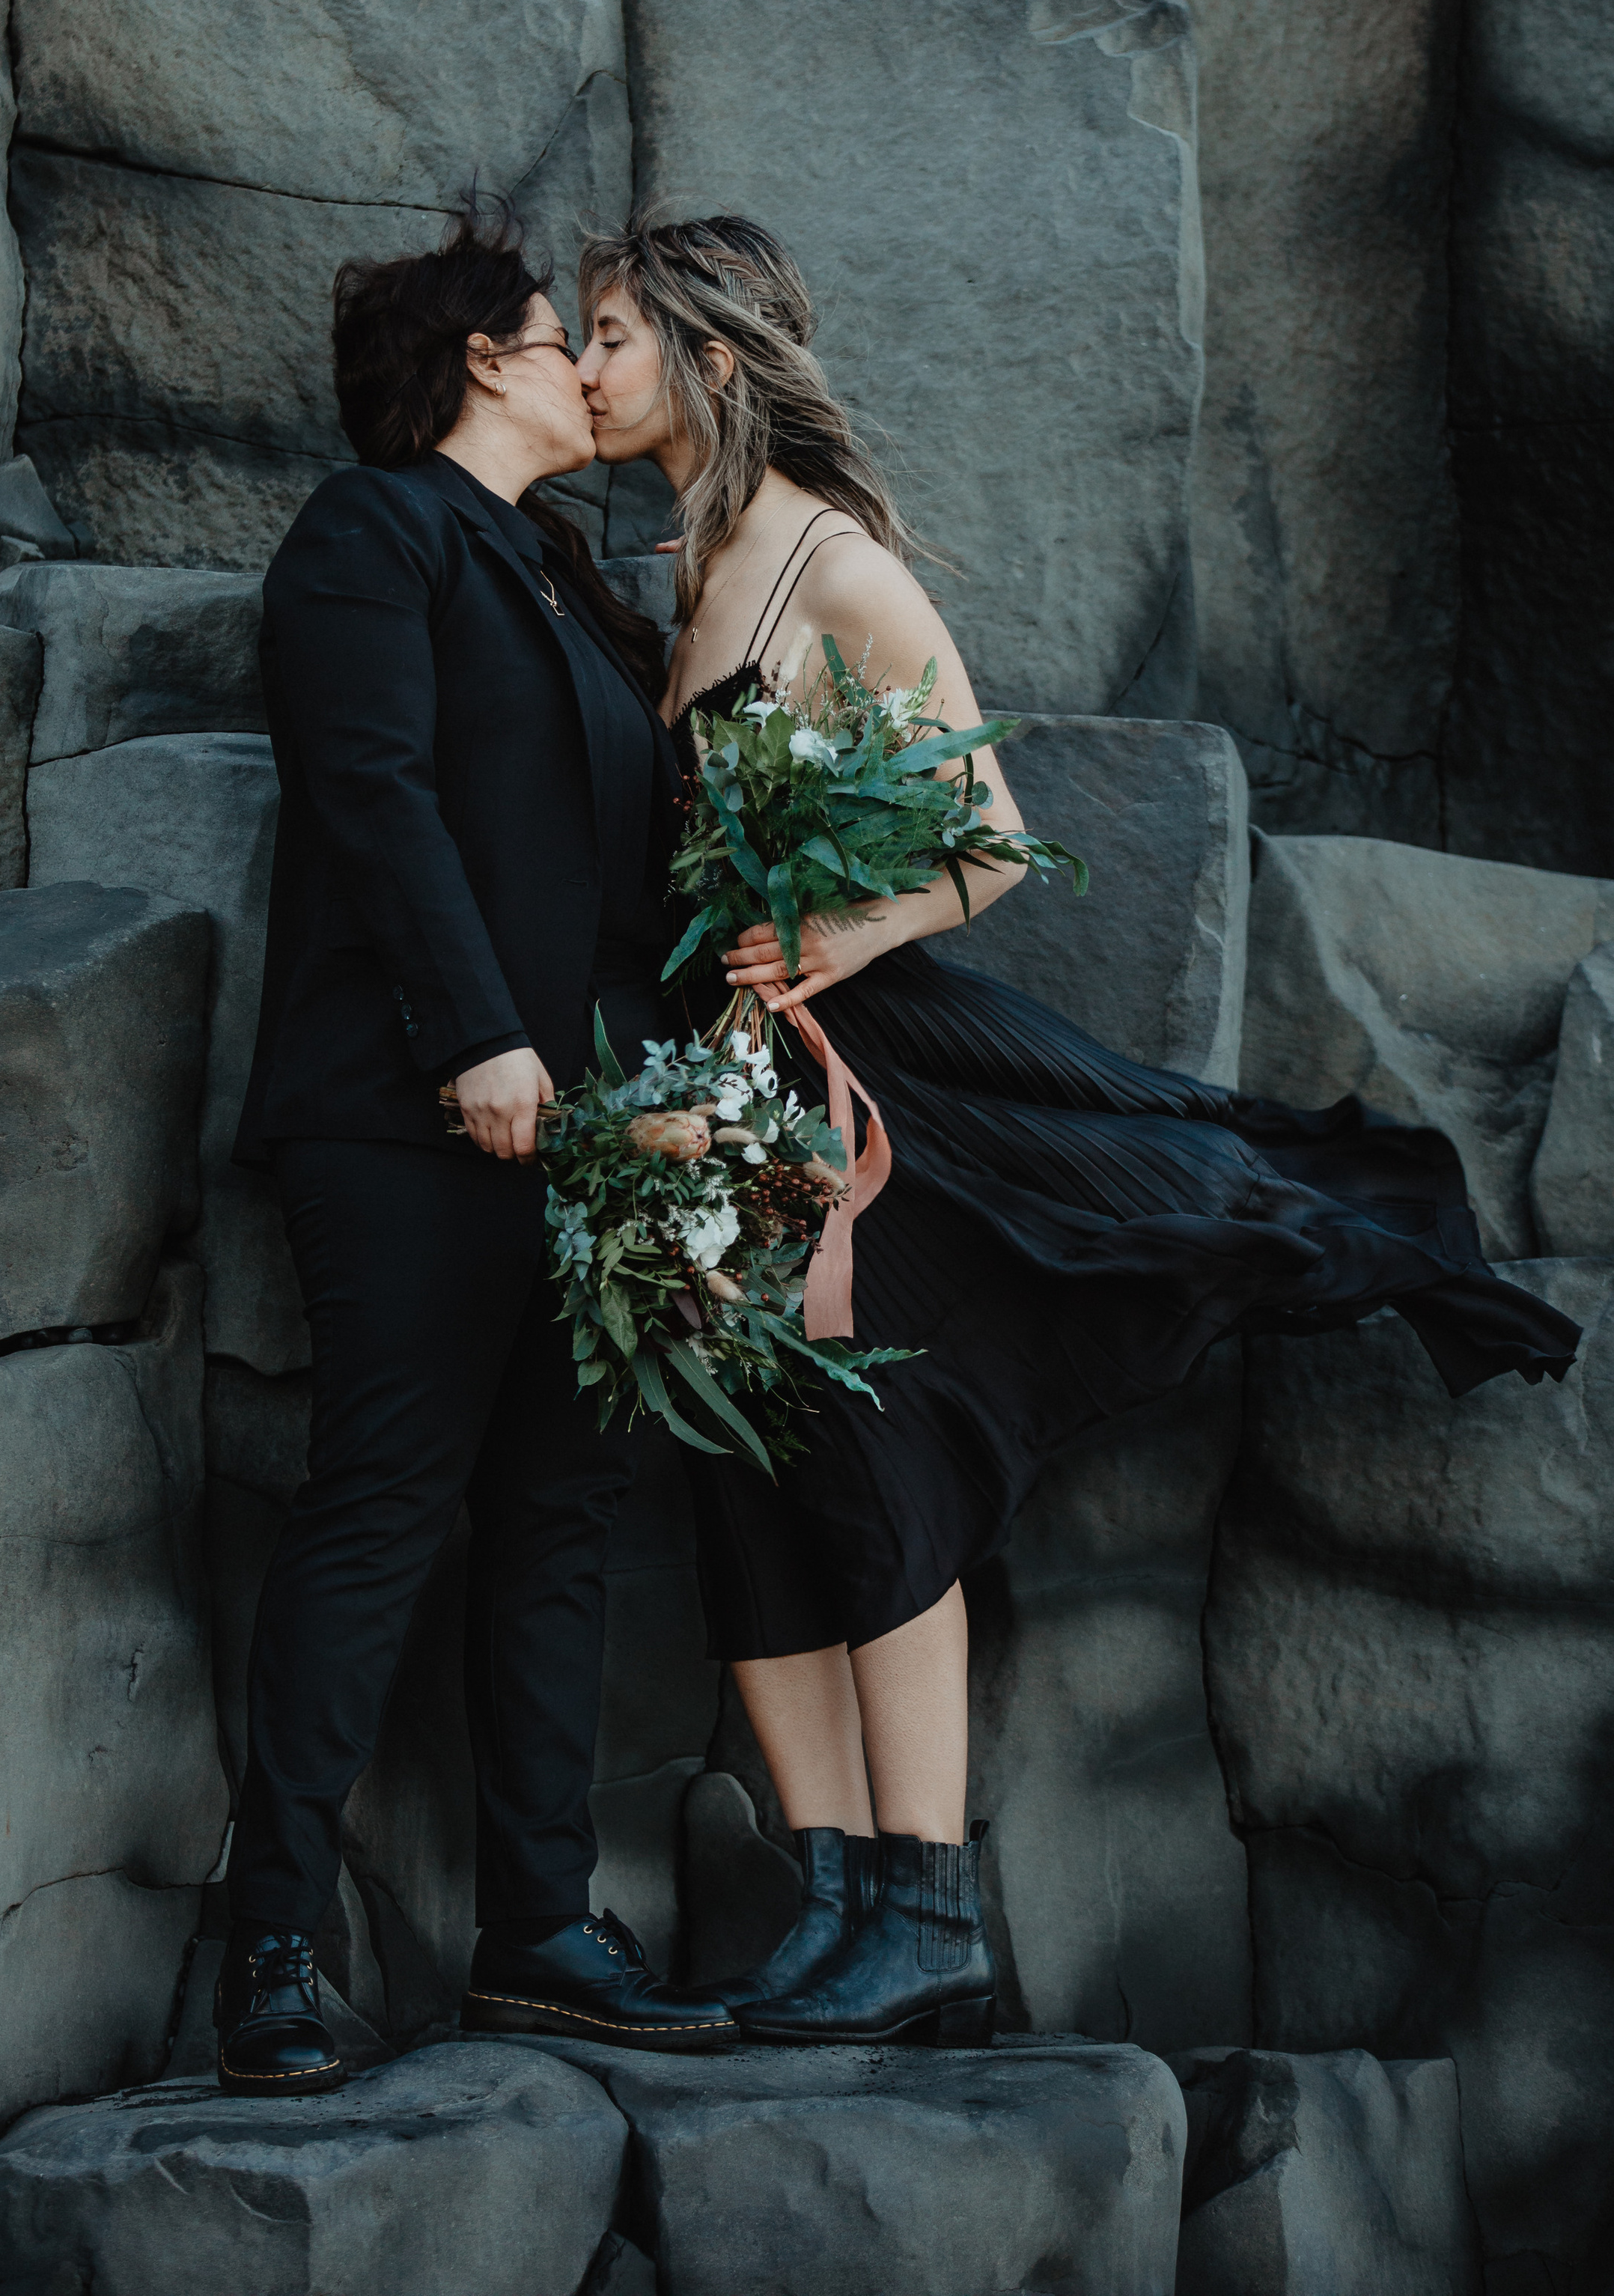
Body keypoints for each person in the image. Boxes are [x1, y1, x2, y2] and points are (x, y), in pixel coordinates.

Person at [573, 211, 1582, 2051]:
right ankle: (828, 1910)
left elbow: (987, 830)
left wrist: (836, 931)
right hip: (721, 1086)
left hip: (860, 1073)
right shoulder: (694, 559)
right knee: (748, 1480)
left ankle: (926, 1910)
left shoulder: (832, 566)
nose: (586, 366)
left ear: (712, 360)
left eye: (615, 334)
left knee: (873, 1459)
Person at [216, 210, 739, 2094]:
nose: (590, 367)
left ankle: (539, 1941)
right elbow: (373, 792)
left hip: (592, 1136)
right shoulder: (374, 536)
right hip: (412, 1121)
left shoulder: (565, 576)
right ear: (484, 363)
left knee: (560, 1524)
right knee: (378, 1507)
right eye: (559, 334)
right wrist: (475, 1038)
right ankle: (269, 1950)